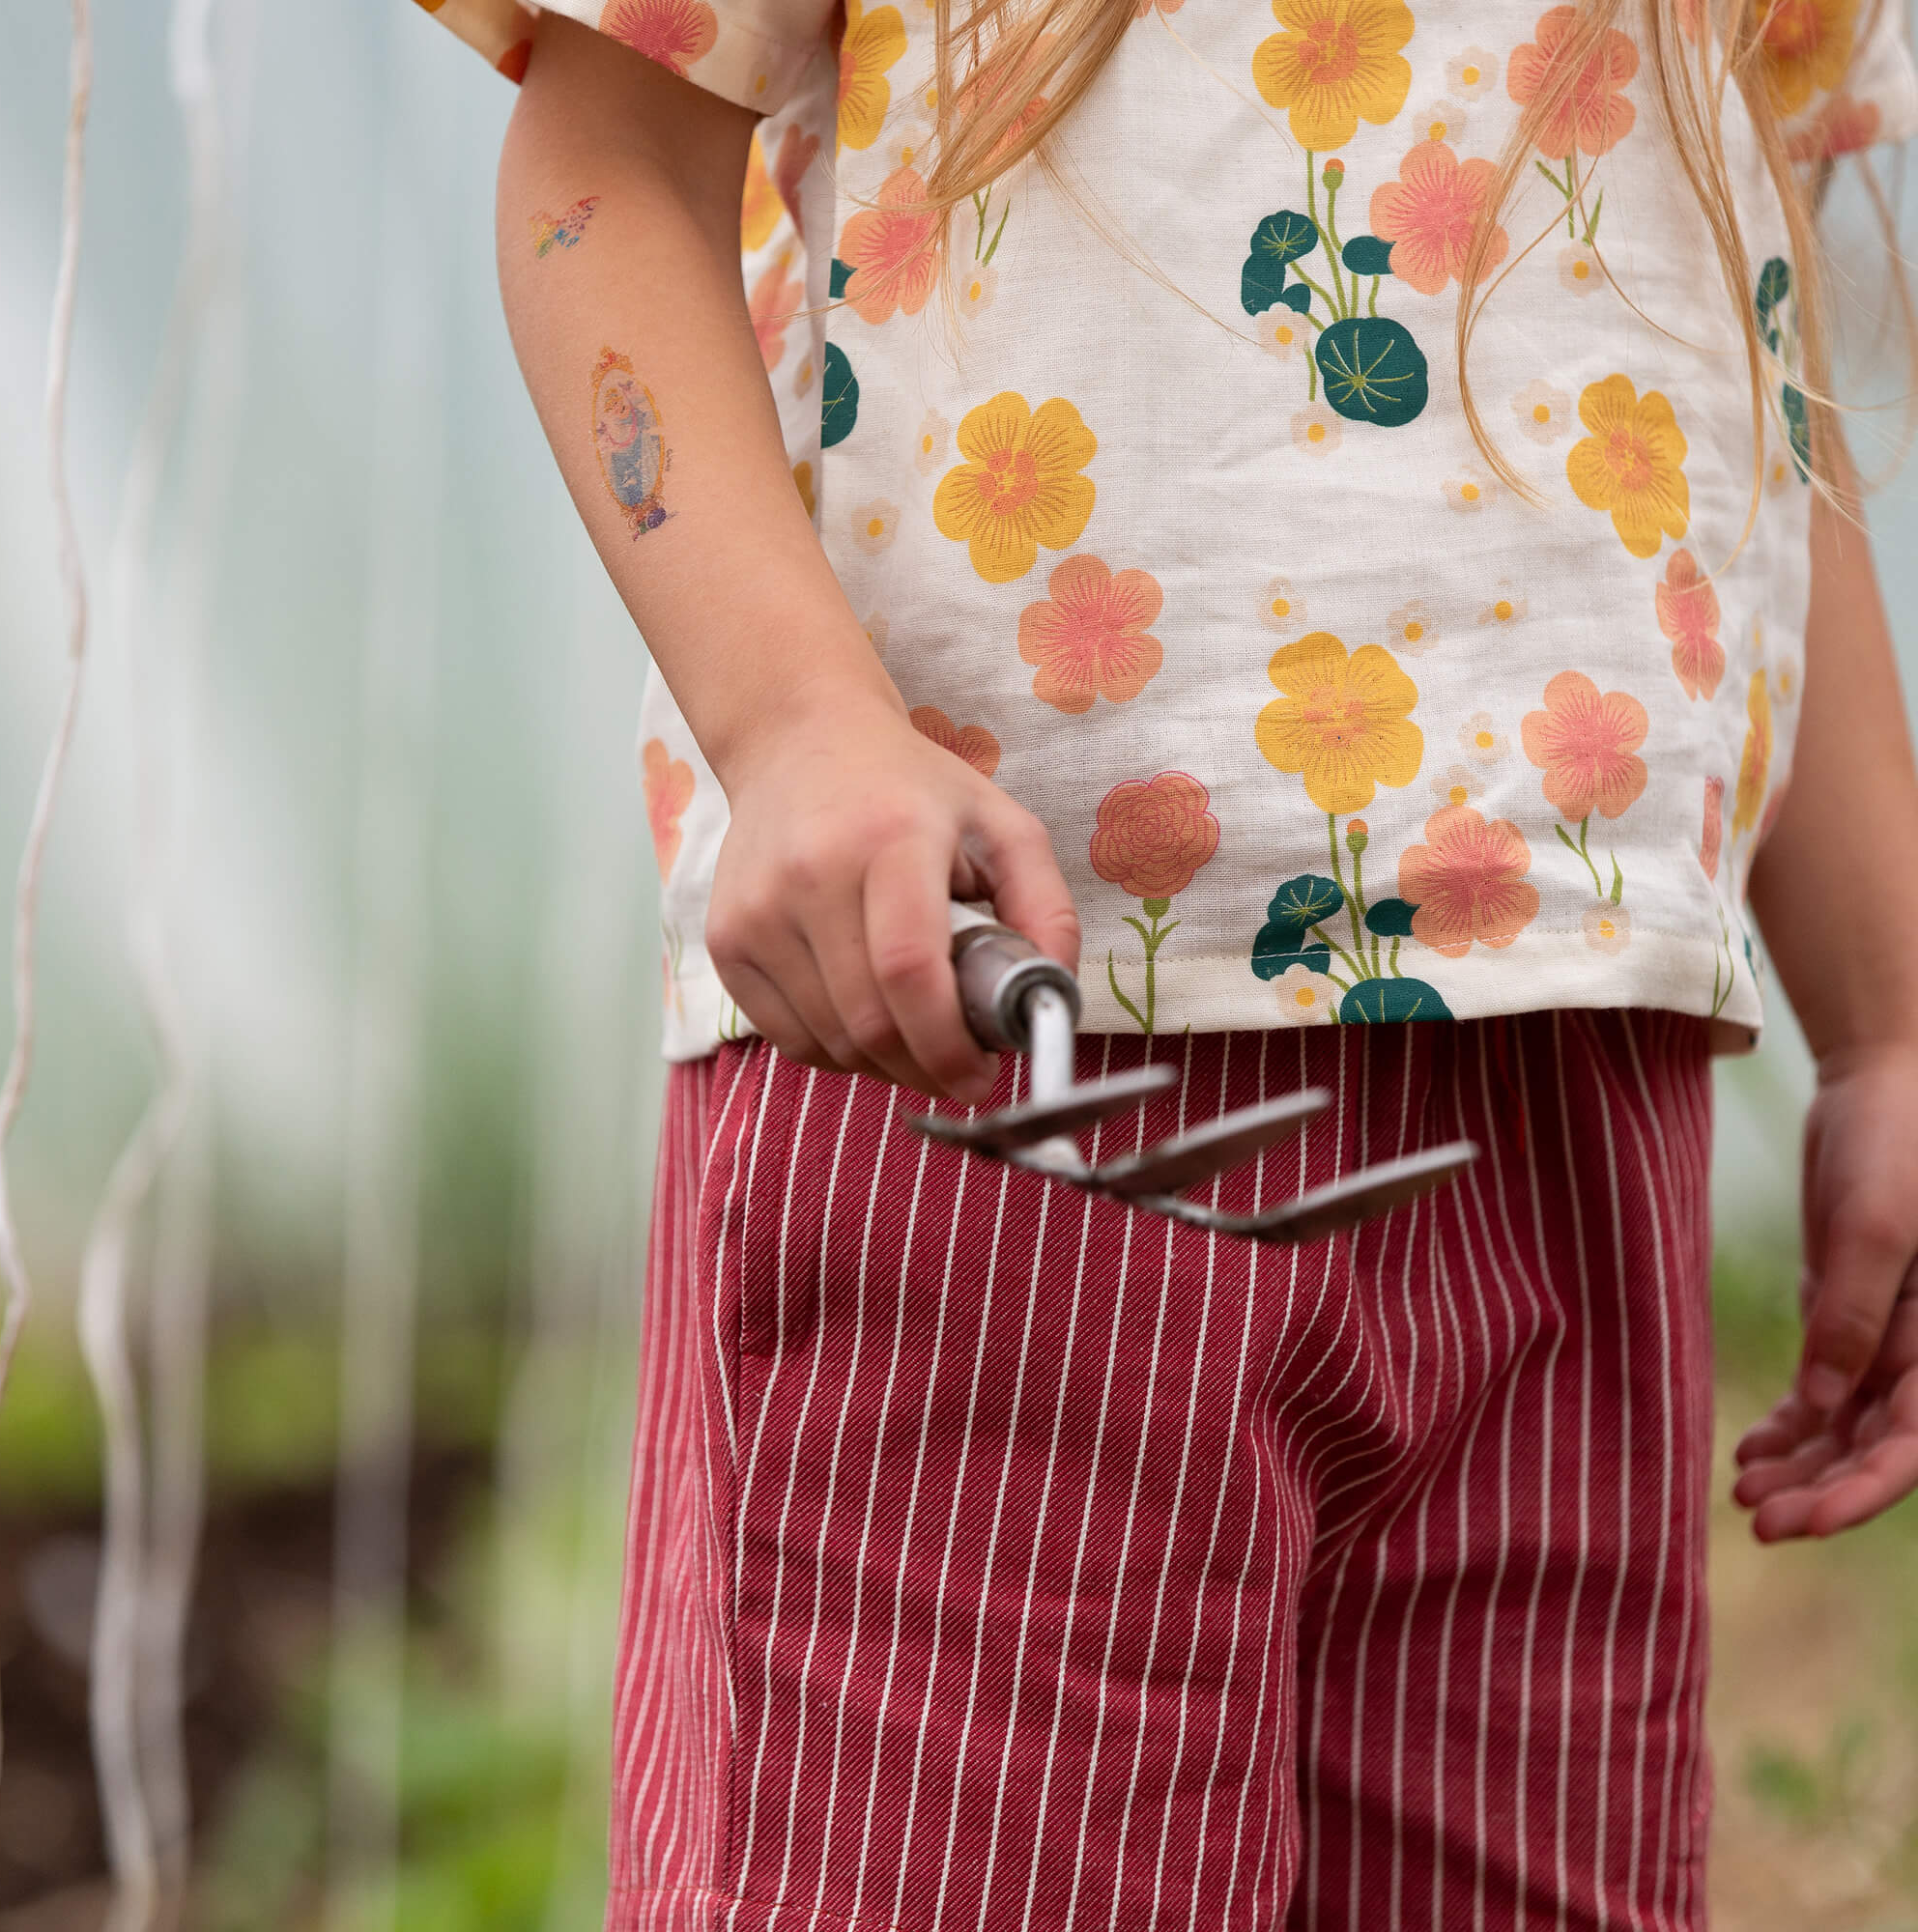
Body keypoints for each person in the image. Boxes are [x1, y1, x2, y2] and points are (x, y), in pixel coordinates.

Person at [425, 0, 1918, 1918]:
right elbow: (604, 163)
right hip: (995, 1062)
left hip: (1569, 1104)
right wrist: (789, 724)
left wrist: (1882, 1032)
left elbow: (1750, 314)